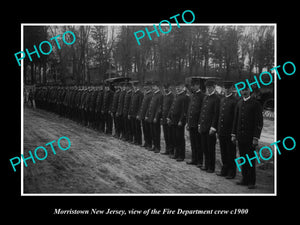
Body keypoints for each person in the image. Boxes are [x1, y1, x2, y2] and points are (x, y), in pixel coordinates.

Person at [231, 86, 263, 189]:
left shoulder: (256, 104)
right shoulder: (239, 103)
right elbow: (235, 120)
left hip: (250, 138)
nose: (244, 92)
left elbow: (259, 122)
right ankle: (244, 179)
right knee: (242, 158)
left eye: (246, 90)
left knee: (250, 159)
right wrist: (234, 134)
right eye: (242, 90)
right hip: (240, 137)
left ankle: (251, 181)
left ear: (250, 91)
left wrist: (255, 137)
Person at [217, 81, 238, 179]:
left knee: (231, 153)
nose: (227, 89)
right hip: (222, 131)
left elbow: (235, 118)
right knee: (223, 152)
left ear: (232, 88)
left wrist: (233, 133)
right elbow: (219, 116)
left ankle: (231, 172)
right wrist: (218, 129)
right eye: (225, 88)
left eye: (229, 88)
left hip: (229, 131)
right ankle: (224, 170)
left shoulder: (235, 101)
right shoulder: (222, 100)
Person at [198, 80, 220, 173]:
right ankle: (206, 165)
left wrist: (213, 127)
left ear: (214, 88)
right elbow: (202, 112)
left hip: (210, 128)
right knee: (204, 147)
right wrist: (199, 124)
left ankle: (211, 167)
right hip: (203, 126)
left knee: (210, 148)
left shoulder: (216, 99)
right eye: (207, 88)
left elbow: (216, 114)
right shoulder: (206, 98)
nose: (208, 89)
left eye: (210, 87)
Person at [167, 83, 189, 161]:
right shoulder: (177, 96)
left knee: (180, 138)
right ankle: (176, 154)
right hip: (173, 120)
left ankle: (181, 155)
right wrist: (169, 117)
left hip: (179, 121)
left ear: (183, 87)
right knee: (175, 138)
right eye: (176, 87)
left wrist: (181, 120)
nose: (177, 89)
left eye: (179, 87)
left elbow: (184, 111)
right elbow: (172, 108)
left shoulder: (185, 97)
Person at [186, 79, 205, 167]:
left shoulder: (202, 96)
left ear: (198, 85)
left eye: (193, 85)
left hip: (197, 123)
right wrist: (188, 122)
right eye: (191, 86)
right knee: (193, 142)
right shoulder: (193, 95)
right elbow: (190, 110)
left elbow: (202, 111)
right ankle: (194, 159)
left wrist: (199, 124)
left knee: (199, 143)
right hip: (191, 123)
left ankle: (200, 161)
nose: (192, 87)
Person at [145, 81, 163, 153]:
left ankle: (157, 147)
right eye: (153, 86)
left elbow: (159, 108)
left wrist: (156, 117)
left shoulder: (160, 95)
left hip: (155, 117)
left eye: (154, 86)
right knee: (152, 133)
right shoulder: (154, 94)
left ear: (158, 87)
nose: (153, 87)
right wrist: (147, 115)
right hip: (151, 116)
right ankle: (154, 146)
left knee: (156, 133)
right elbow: (150, 106)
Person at [137, 82, 153, 149]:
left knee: (148, 130)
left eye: (146, 86)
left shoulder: (151, 94)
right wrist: (141, 114)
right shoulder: (145, 94)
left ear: (149, 86)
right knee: (144, 130)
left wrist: (147, 115)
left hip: (147, 115)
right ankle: (146, 142)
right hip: (143, 115)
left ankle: (149, 144)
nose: (145, 87)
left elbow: (149, 106)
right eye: (144, 86)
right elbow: (142, 106)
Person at [160, 83, 174, 155]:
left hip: (169, 119)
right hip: (164, 118)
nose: (165, 90)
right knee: (165, 135)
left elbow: (172, 109)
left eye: (167, 88)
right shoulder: (165, 96)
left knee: (170, 135)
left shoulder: (172, 96)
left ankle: (171, 151)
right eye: (164, 88)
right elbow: (163, 107)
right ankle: (167, 149)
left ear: (170, 88)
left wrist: (169, 118)